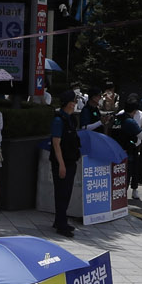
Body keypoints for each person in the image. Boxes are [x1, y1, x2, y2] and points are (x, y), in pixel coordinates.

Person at [48, 94, 82, 237]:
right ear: (68, 103)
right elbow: (56, 144)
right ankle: (61, 225)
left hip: (71, 160)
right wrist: (61, 164)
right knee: (61, 193)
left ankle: (60, 220)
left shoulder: (71, 119)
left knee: (67, 192)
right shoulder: (58, 120)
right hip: (62, 162)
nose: (75, 103)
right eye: (74, 101)